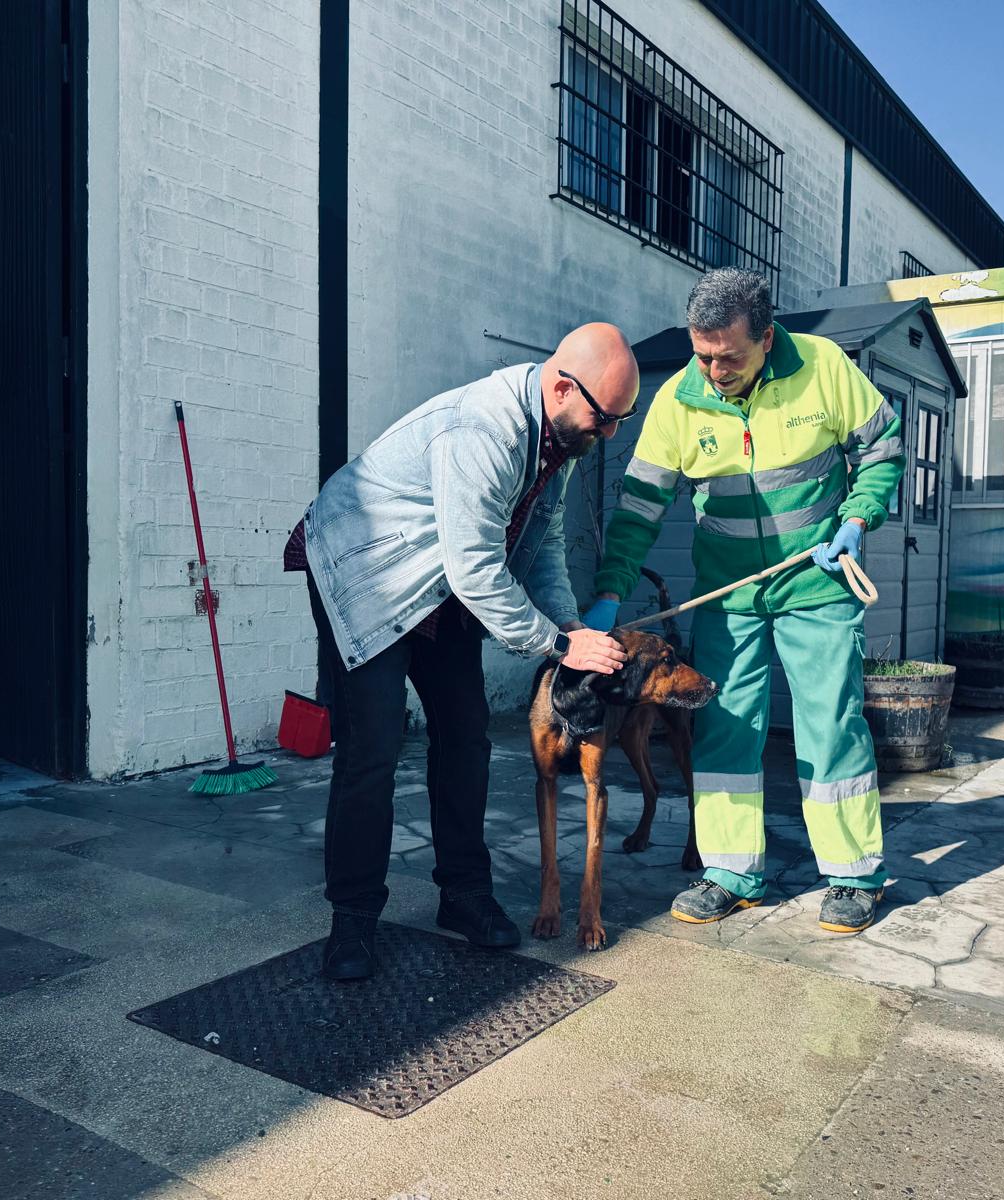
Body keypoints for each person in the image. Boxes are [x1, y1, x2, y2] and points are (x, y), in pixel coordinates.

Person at [286, 324, 636, 979]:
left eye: (622, 420)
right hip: (367, 571)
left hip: (437, 578)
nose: (609, 434)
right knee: (374, 747)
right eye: (605, 417)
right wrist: (558, 642)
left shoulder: (557, 441)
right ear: (563, 387)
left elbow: (543, 545)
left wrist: (569, 628)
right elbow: (477, 568)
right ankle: (354, 920)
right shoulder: (485, 432)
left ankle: (464, 896)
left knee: (467, 737)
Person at [583, 269, 905, 935]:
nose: (714, 369)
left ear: (766, 336)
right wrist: (612, 590)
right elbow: (640, 506)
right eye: (703, 355)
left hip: (817, 586)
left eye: (729, 356)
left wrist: (858, 516)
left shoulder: (823, 368)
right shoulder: (679, 399)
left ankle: (853, 876)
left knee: (829, 724)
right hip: (728, 597)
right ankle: (732, 871)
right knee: (725, 724)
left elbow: (883, 447)